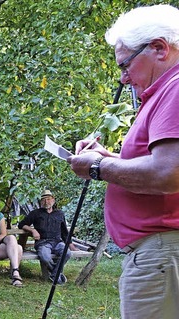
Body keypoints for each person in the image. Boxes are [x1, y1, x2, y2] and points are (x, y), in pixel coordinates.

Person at [68, 5, 179, 318]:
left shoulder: (175, 88)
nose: (123, 76)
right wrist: (108, 157)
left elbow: (168, 174)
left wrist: (96, 167)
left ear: (159, 48)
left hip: (162, 253)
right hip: (162, 254)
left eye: (125, 64)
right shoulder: (165, 91)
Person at [18, 190, 75, 284]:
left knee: (67, 253)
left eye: (48, 199)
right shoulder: (35, 213)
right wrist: (33, 230)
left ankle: (54, 275)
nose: (46, 202)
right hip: (43, 243)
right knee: (45, 257)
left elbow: (64, 231)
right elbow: (22, 224)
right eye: (43, 200)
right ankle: (57, 274)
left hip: (57, 242)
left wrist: (70, 244)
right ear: (41, 202)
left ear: (53, 200)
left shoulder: (60, 214)